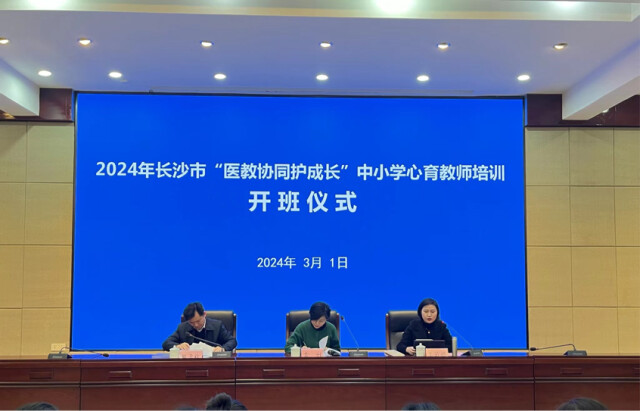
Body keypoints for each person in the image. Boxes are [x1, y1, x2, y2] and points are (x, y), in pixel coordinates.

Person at [162, 302, 237, 352]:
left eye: (198, 321)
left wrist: (222, 349)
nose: (196, 325)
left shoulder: (217, 326)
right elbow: (166, 343)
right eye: (192, 322)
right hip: (190, 364)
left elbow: (232, 341)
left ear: (204, 314)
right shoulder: (183, 328)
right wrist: (177, 346)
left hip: (212, 363)